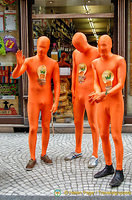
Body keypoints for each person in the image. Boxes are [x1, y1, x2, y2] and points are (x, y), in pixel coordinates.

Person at [12, 36, 60, 171]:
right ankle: (32, 157)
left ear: (48, 48)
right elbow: (15, 75)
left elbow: (57, 84)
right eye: (39, 46)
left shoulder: (53, 63)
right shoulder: (29, 61)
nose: (41, 49)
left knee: (46, 127)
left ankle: (43, 153)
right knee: (33, 128)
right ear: (36, 45)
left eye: (44, 47)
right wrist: (19, 64)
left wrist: (56, 101)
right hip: (34, 100)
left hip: (47, 100)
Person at [89, 35, 126, 187]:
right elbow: (96, 82)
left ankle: (119, 170)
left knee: (116, 135)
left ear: (111, 45)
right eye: (99, 45)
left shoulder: (119, 60)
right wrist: (98, 92)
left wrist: (104, 93)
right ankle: (109, 166)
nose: (102, 48)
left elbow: (120, 84)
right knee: (103, 134)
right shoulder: (95, 63)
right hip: (101, 104)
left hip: (115, 102)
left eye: (104, 45)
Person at [64, 32, 100, 168]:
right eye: (76, 47)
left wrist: (99, 92)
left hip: (91, 94)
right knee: (77, 122)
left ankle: (95, 154)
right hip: (78, 94)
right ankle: (78, 150)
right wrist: (73, 91)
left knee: (93, 124)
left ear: (85, 42)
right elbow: (74, 71)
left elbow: (102, 71)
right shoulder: (75, 54)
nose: (79, 49)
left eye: (80, 46)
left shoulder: (96, 52)